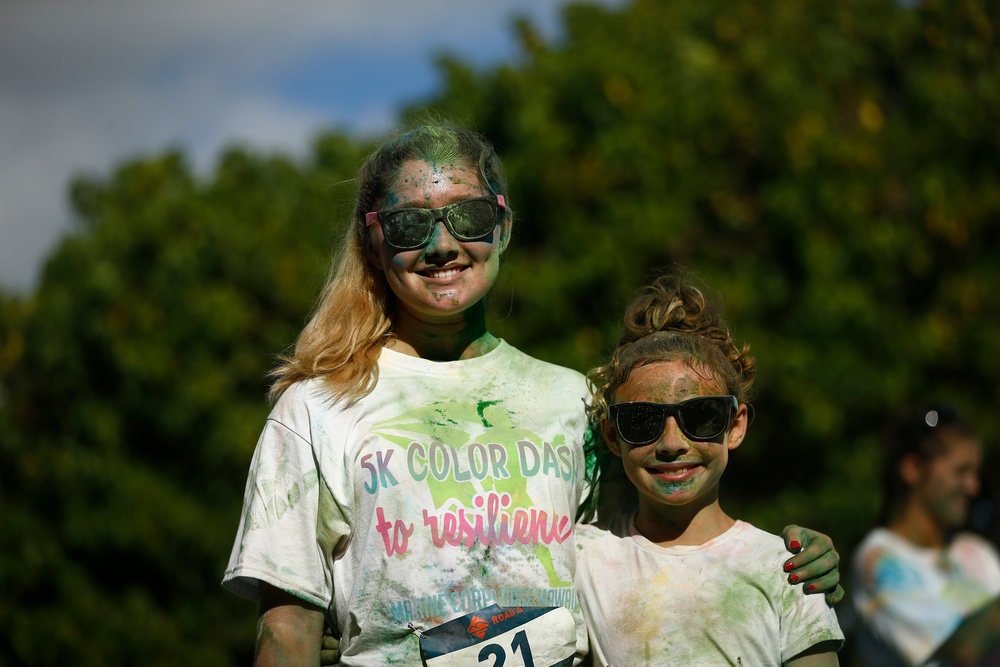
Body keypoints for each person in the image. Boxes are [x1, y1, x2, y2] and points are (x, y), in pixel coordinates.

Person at [221, 122, 844, 666]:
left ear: (504, 227)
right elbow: (286, 632)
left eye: (467, 217)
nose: (442, 246)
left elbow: (647, 552)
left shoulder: (570, 401)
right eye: (411, 225)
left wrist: (786, 561)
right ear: (374, 242)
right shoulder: (316, 409)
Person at [575, 271, 844, 666]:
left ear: (735, 426)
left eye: (700, 416)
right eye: (641, 421)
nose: (671, 443)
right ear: (612, 436)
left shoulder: (785, 568)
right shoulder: (581, 559)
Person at [850, 405, 1000, 667]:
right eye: (961, 472)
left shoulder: (977, 551)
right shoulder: (878, 560)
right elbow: (959, 653)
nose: (973, 487)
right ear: (912, 468)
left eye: (975, 474)